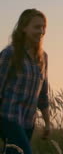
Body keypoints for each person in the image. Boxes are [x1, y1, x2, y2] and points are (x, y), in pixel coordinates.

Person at [0, 9, 51, 154]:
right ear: (23, 28)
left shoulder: (43, 58)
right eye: (37, 27)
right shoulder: (10, 53)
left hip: (28, 122)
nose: (41, 31)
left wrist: (47, 123)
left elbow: (43, 95)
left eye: (43, 27)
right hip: (9, 117)